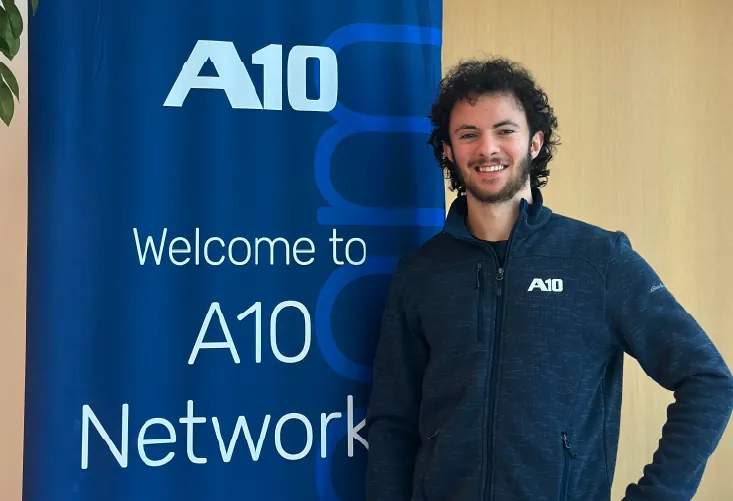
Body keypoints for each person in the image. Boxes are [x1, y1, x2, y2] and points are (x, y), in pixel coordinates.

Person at [364, 57, 733, 501]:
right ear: (447, 150)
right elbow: (392, 422)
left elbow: (708, 379)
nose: (487, 149)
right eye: (468, 134)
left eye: (505, 130)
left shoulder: (598, 260)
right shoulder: (420, 274)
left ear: (535, 143)